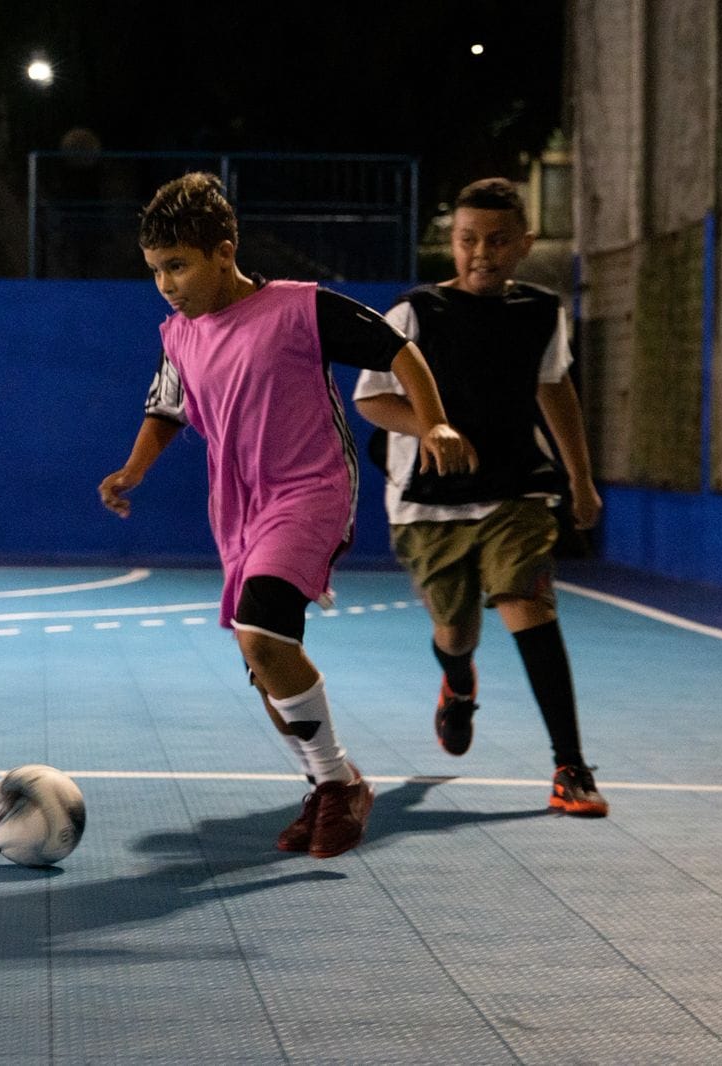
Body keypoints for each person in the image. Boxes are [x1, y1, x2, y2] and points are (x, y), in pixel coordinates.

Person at [99, 173, 471, 858]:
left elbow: (398, 348)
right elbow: (166, 410)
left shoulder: (300, 308)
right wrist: (133, 471)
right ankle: (332, 782)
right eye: (155, 271)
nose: (166, 283)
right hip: (238, 511)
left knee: (263, 634)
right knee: (264, 660)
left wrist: (436, 424)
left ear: (223, 251)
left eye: (177, 265)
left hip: (311, 491)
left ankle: (337, 787)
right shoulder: (179, 336)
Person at [352, 177, 608, 817]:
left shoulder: (541, 313)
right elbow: (371, 399)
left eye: (497, 241)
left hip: (515, 489)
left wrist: (580, 479)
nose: (481, 253)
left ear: (524, 244)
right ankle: (458, 682)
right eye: (467, 240)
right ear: (452, 243)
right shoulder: (415, 313)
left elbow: (555, 390)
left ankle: (570, 767)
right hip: (428, 502)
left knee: (528, 603)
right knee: (456, 631)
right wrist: (431, 428)